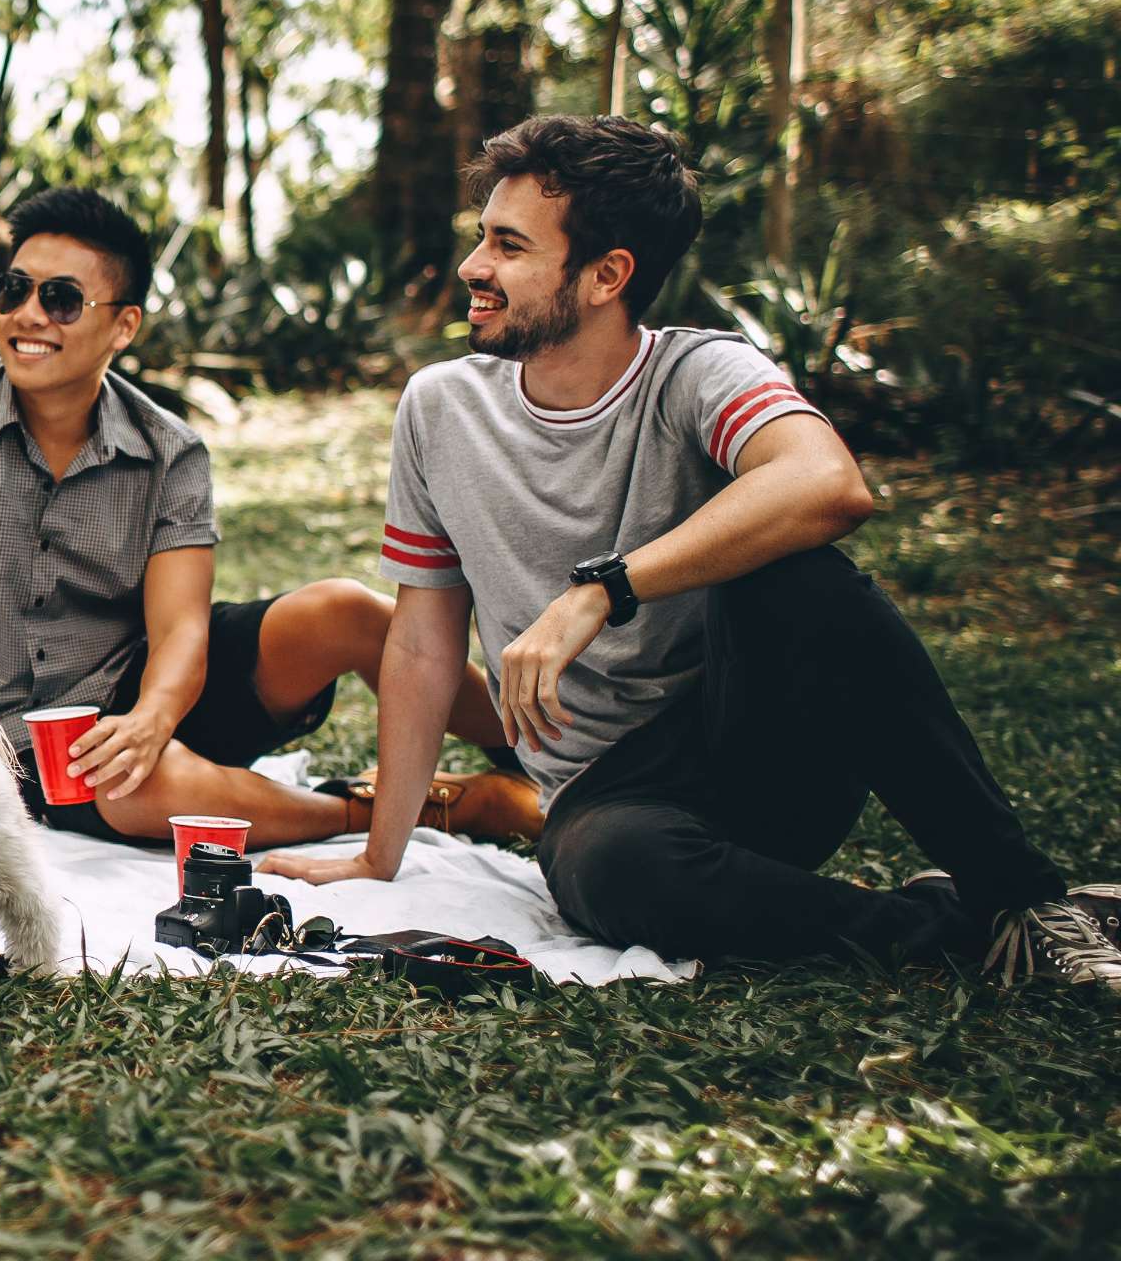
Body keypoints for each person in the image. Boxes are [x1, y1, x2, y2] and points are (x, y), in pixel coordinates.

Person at [260, 114, 1121, 992]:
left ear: (607, 275)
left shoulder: (699, 373)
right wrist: (380, 855)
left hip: (758, 749)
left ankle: (1025, 899)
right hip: (609, 801)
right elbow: (420, 642)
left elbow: (830, 485)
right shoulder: (441, 408)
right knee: (610, 871)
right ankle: (957, 929)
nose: (473, 268)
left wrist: (601, 590)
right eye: (482, 237)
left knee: (801, 577)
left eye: (509, 246)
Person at [0, 186, 539, 849]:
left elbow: (181, 628)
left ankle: (547, 764)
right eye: (13, 290)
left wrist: (152, 719)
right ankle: (418, 807)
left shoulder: (170, 450)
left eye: (60, 299)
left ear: (123, 325)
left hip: (164, 685)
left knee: (346, 610)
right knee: (133, 788)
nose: (28, 315)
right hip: (37, 740)